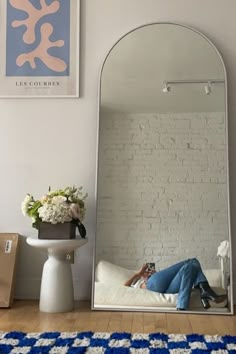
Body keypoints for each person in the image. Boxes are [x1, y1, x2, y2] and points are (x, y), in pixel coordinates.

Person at [124, 258, 227, 310]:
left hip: (167, 288)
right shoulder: (137, 281)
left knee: (189, 268)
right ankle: (205, 291)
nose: (148, 272)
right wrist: (139, 273)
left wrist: (156, 274)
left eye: (149, 272)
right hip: (151, 285)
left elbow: (163, 280)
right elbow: (124, 286)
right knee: (192, 261)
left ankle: (182, 306)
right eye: (146, 272)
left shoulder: (155, 276)